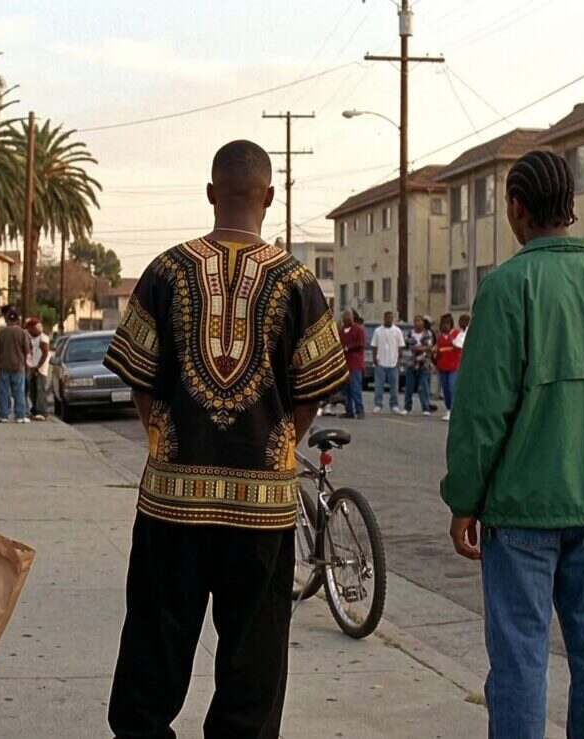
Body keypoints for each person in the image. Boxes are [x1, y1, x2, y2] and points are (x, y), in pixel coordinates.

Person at [102, 140, 348, 739]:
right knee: (253, 670)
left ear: (211, 193)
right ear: (270, 197)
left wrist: (164, 437)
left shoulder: (165, 271)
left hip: (172, 505)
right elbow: (311, 388)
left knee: (151, 658)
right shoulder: (298, 282)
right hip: (262, 511)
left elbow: (140, 379)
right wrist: (281, 442)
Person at [441, 150, 584, 739]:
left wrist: (464, 500)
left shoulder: (507, 287)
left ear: (516, 208)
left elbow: (481, 413)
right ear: (570, 206)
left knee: (519, 658)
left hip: (521, 509)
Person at [0, 310, 31, 423]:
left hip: (3, 366)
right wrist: (27, 365)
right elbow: (27, 351)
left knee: (3, 392)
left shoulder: (0, 333)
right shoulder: (22, 333)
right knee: (19, 392)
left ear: (7, 320)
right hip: (18, 366)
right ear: (17, 320)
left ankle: (4, 415)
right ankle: (20, 415)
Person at [370, 310, 406, 413]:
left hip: (393, 362)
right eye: (387, 318)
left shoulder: (397, 331)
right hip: (380, 362)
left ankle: (394, 405)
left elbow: (400, 347)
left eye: (391, 318)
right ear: (384, 318)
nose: (389, 320)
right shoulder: (378, 331)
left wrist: (399, 360)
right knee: (379, 385)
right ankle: (378, 404)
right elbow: (374, 346)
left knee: (394, 386)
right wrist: (374, 358)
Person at [403, 316, 435, 416]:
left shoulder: (428, 333)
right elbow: (407, 345)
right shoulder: (410, 333)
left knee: (423, 386)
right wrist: (418, 348)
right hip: (411, 363)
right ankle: (407, 407)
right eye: (415, 321)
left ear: (423, 323)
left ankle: (425, 408)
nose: (417, 323)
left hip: (424, 364)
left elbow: (429, 347)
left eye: (419, 321)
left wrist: (419, 348)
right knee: (409, 387)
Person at [434, 313, 463, 421]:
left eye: (447, 324)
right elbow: (439, 351)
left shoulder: (456, 334)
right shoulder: (440, 337)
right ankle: (448, 409)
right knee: (445, 390)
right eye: (443, 324)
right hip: (443, 366)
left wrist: (451, 339)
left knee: (451, 387)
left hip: (454, 366)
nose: (445, 326)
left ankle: (453, 410)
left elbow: (459, 347)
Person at [339, 309, 367, 419]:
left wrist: (347, 348)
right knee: (346, 390)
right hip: (344, 364)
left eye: (349, 318)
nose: (347, 320)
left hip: (355, 364)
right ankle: (349, 411)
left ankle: (360, 411)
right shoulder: (341, 331)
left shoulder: (359, 330)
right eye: (345, 318)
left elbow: (361, 344)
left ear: (352, 318)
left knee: (355, 389)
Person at [25, 317, 51, 420]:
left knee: (40, 390)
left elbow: (45, 354)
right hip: (32, 367)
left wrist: (38, 367)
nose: (29, 331)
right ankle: (35, 409)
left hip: (40, 369)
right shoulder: (32, 338)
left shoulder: (43, 338)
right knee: (33, 390)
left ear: (35, 327)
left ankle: (42, 411)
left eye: (30, 328)